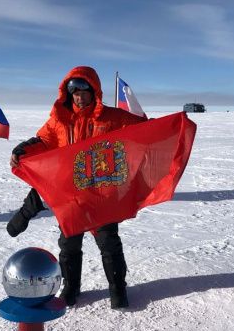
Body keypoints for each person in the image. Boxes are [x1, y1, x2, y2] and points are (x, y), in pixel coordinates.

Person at [9, 66, 146, 309]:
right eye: (75, 93)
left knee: (108, 242)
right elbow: (44, 140)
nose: (80, 97)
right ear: (68, 94)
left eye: (84, 92)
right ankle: (71, 287)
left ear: (95, 93)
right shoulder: (60, 119)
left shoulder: (112, 117)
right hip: (71, 193)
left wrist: (166, 126)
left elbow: (142, 130)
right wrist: (22, 150)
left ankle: (118, 290)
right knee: (69, 243)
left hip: (101, 192)